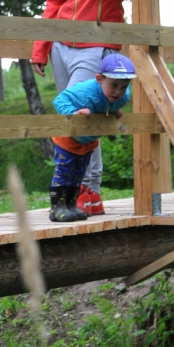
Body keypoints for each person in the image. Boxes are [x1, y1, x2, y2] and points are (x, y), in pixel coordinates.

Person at [31, 0, 144, 216]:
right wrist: (41, 47)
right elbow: (56, 0)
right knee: (72, 115)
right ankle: (75, 190)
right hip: (61, 45)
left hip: (96, 45)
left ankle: (88, 190)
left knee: (86, 114)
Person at [49, 53, 136, 223]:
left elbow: (109, 103)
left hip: (88, 141)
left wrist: (113, 111)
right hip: (68, 138)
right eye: (114, 85)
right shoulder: (85, 92)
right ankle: (57, 207)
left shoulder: (123, 97)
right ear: (99, 79)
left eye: (124, 86)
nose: (118, 92)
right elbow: (60, 100)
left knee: (78, 174)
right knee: (64, 172)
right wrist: (74, 114)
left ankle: (72, 204)